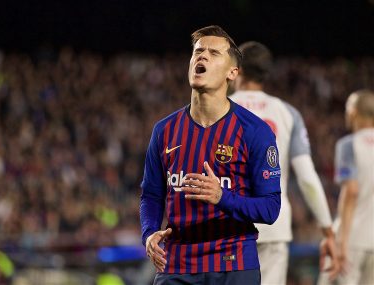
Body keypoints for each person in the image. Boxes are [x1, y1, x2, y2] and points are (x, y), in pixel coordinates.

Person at [140, 26, 281, 284]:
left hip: (234, 262)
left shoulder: (255, 132)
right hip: (176, 264)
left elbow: (270, 208)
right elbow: (151, 194)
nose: (202, 56)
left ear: (233, 72)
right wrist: (149, 232)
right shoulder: (164, 130)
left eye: (213, 52)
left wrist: (222, 197)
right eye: (198, 51)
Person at [229, 41, 339, 285]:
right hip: (273, 224)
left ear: (237, 69)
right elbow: (307, 178)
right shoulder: (286, 112)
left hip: (228, 225)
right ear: (265, 74)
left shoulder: (219, 110)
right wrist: (327, 229)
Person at [318, 89, 374, 285]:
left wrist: (341, 242)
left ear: (353, 112)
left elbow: (351, 191)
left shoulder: (349, 145)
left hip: (353, 239)